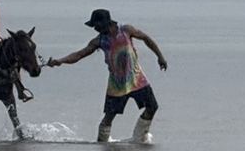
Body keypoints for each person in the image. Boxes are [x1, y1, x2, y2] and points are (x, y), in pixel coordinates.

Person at [47, 8, 168, 142]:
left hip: (137, 79)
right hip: (116, 84)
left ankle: (140, 137)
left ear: (106, 22)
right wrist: (60, 61)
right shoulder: (99, 41)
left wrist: (160, 57)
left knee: (152, 107)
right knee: (109, 117)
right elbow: (79, 54)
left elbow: (146, 38)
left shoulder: (126, 30)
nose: (95, 29)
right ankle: (102, 142)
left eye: (96, 25)